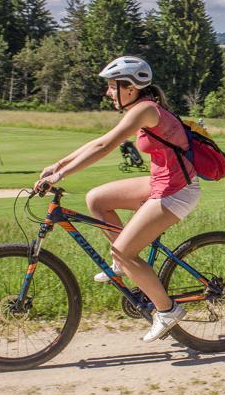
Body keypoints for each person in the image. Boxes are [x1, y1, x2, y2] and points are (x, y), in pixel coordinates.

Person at [35, 55, 199, 342]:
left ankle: (167, 309)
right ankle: (124, 265)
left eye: (113, 86)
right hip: (160, 183)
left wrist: (59, 176)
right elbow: (99, 140)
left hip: (177, 191)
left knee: (122, 250)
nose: (108, 92)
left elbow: (104, 147)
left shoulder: (145, 109)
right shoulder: (141, 107)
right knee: (97, 199)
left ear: (131, 88)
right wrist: (58, 165)